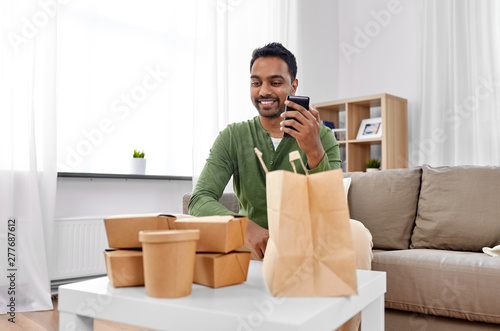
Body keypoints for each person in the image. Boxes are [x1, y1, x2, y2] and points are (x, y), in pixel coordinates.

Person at [188, 42, 372, 270]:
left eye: (275, 83)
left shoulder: (322, 135)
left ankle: (349, 305)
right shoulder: (233, 136)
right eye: (256, 83)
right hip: (254, 243)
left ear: (293, 86)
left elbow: (331, 207)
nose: (264, 91)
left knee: (356, 233)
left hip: (306, 240)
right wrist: (244, 226)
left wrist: (314, 150)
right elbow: (199, 199)